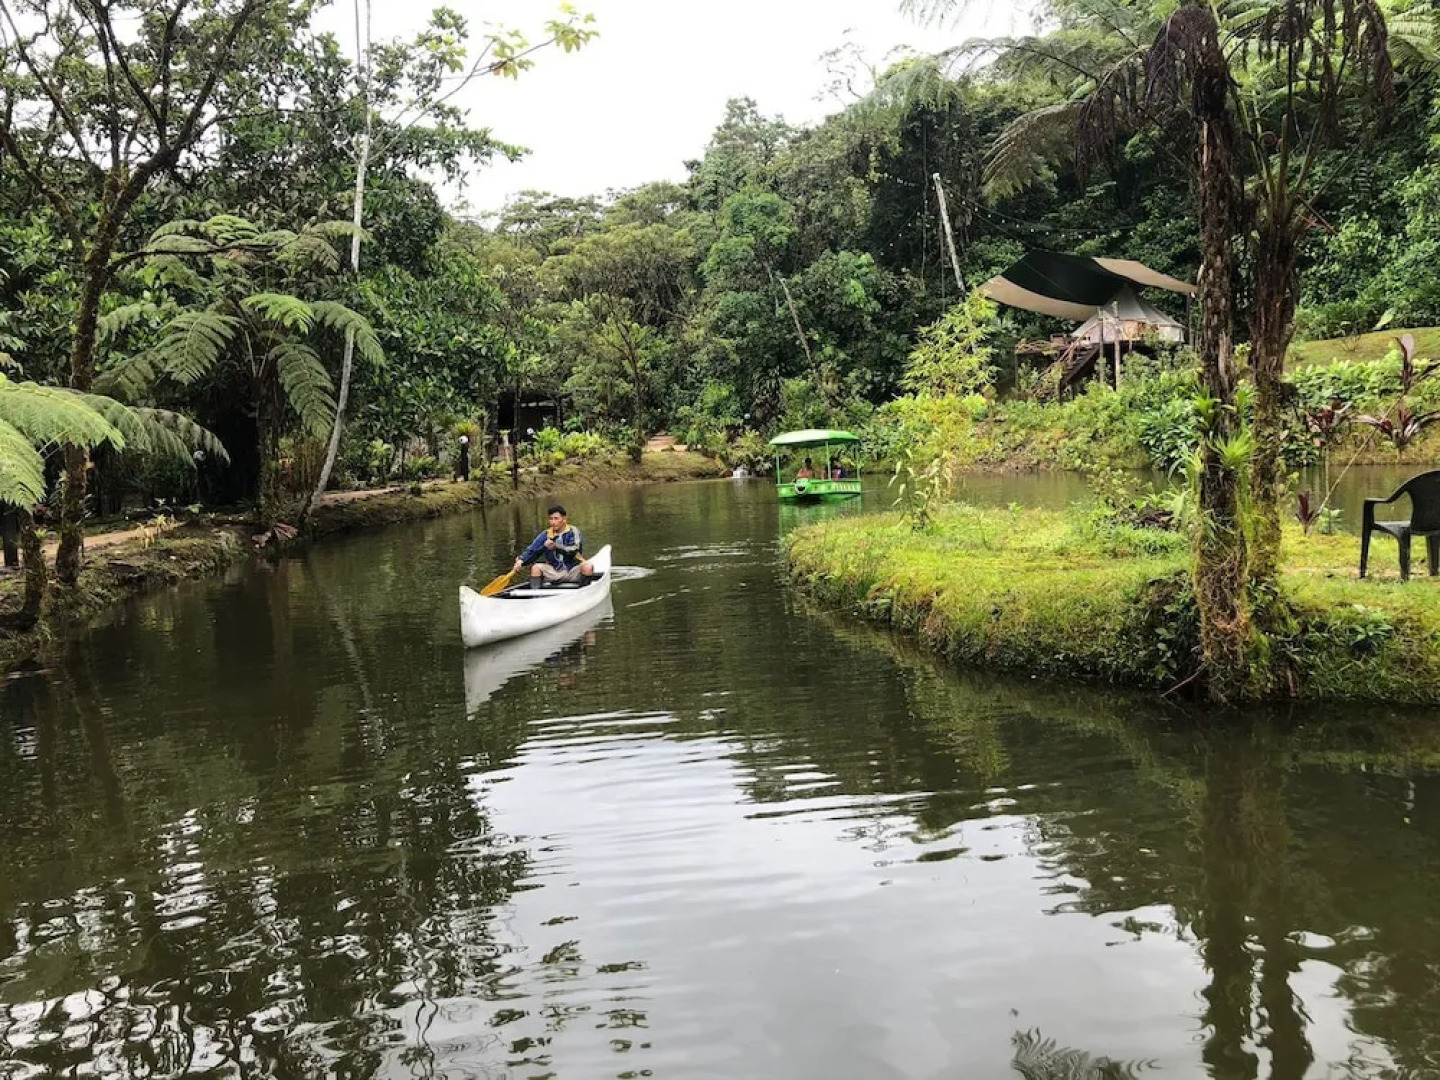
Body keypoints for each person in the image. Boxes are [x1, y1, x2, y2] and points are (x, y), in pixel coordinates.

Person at [513, 504, 594, 588]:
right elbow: (532, 550)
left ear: (564, 519)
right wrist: (521, 561)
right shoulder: (546, 534)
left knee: (587, 567)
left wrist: (556, 547)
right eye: (551, 519)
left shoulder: (574, 531)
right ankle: (536, 596)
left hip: (572, 570)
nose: (553, 522)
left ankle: (584, 592)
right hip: (555, 571)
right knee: (536, 568)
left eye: (556, 518)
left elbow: (574, 550)